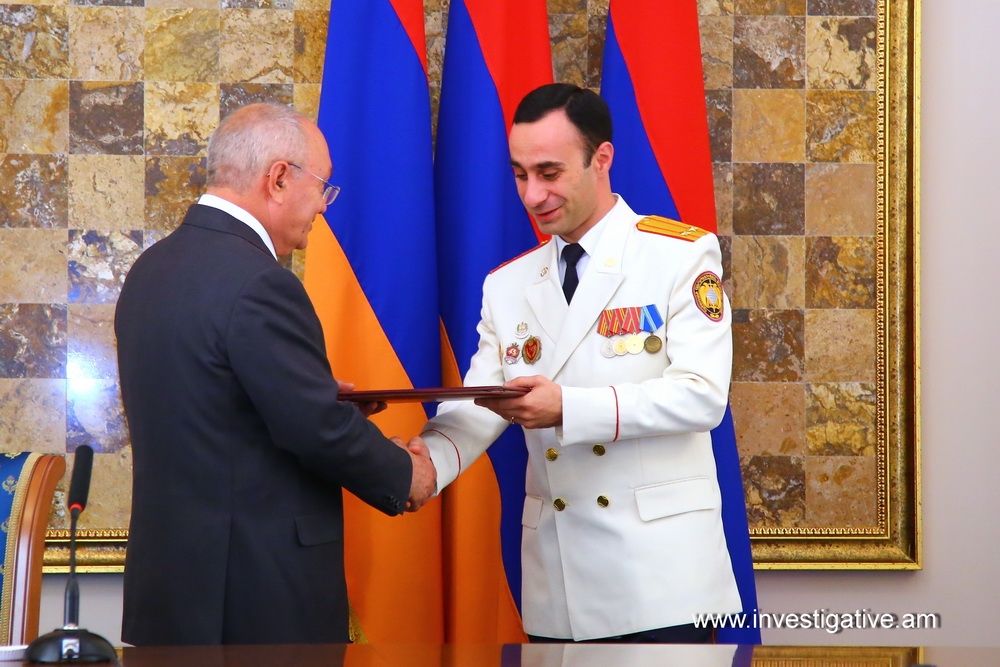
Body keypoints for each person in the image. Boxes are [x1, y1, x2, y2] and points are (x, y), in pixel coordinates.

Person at [419, 83, 742, 643]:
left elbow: (701, 396)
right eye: (520, 174)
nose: (532, 194)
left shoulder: (679, 254)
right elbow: (482, 404)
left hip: (662, 580)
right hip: (560, 581)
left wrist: (567, 408)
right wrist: (423, 464)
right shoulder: (508, 284)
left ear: (602, 158)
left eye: (549, 172)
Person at [114, 102, 436, 646]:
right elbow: (314, 428)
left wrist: (312, 396)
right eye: (323, 187)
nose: (324, 207)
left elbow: (215, 406)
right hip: (255, 599)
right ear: (280, 178)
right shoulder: (261, 281)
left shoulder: (150, 269)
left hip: (170, 592)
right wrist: (406, 475)